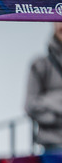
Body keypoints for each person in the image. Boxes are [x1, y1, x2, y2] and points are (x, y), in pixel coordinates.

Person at [24, 22, 62, 151]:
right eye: (58, 18)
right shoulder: (40, 65)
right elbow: (30, 106)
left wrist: (49, 102)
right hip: (52, 148)